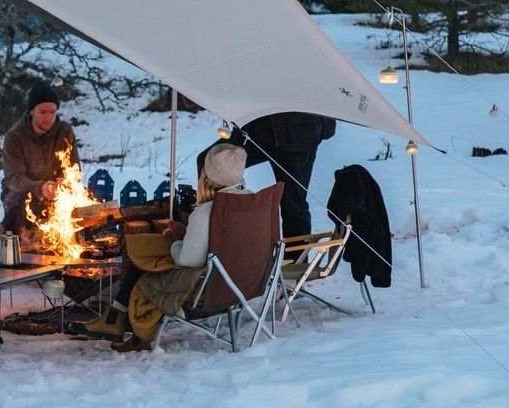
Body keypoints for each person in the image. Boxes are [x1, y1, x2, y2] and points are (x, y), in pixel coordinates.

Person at [76, 143, 251, 352]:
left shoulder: (207, 213)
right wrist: (185, 235)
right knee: (143, 244)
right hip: (239, 283)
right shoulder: (252, 203)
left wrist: (177, 241)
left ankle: (123, 324)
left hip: (205, 288)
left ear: (208, 176)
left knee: (147, 263)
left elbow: (187, 261)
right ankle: (115, 316)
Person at [198, 112, 335, 239]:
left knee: (293, 206)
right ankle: (211, 235)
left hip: (297, 135)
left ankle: (297, 258)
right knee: (208, 162)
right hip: (257, 128)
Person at [0, 80, 80, 236]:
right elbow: (14, 178)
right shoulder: (15, 136)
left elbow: (74, 168)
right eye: (42, 112)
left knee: (81, 200)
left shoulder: (64, 132)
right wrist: (40, 188)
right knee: (22, 200)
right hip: (22, 191)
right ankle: (13, 240)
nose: (48, 118)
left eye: (52, 112)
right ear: (32, 111)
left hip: (55, 189)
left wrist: (65, 183)